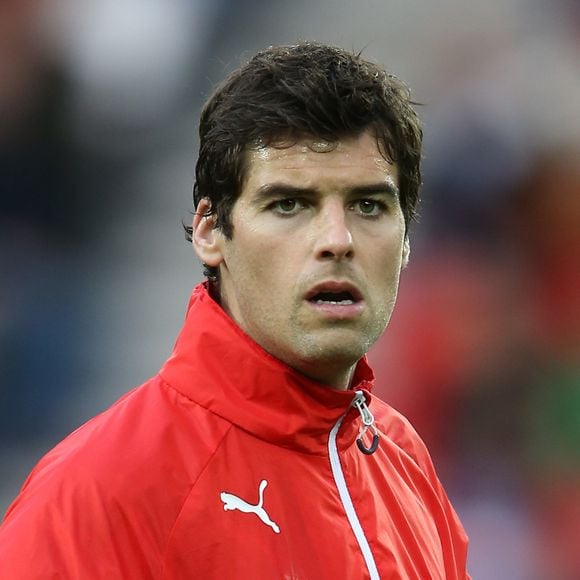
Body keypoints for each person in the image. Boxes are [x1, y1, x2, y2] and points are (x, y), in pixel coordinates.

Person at [0, 42, 470, 578]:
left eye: (369, 205)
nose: (337, 240)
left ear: (407, 239)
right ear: (209, 231)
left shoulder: (404, 461)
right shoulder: (99, 490)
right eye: (289, 204)